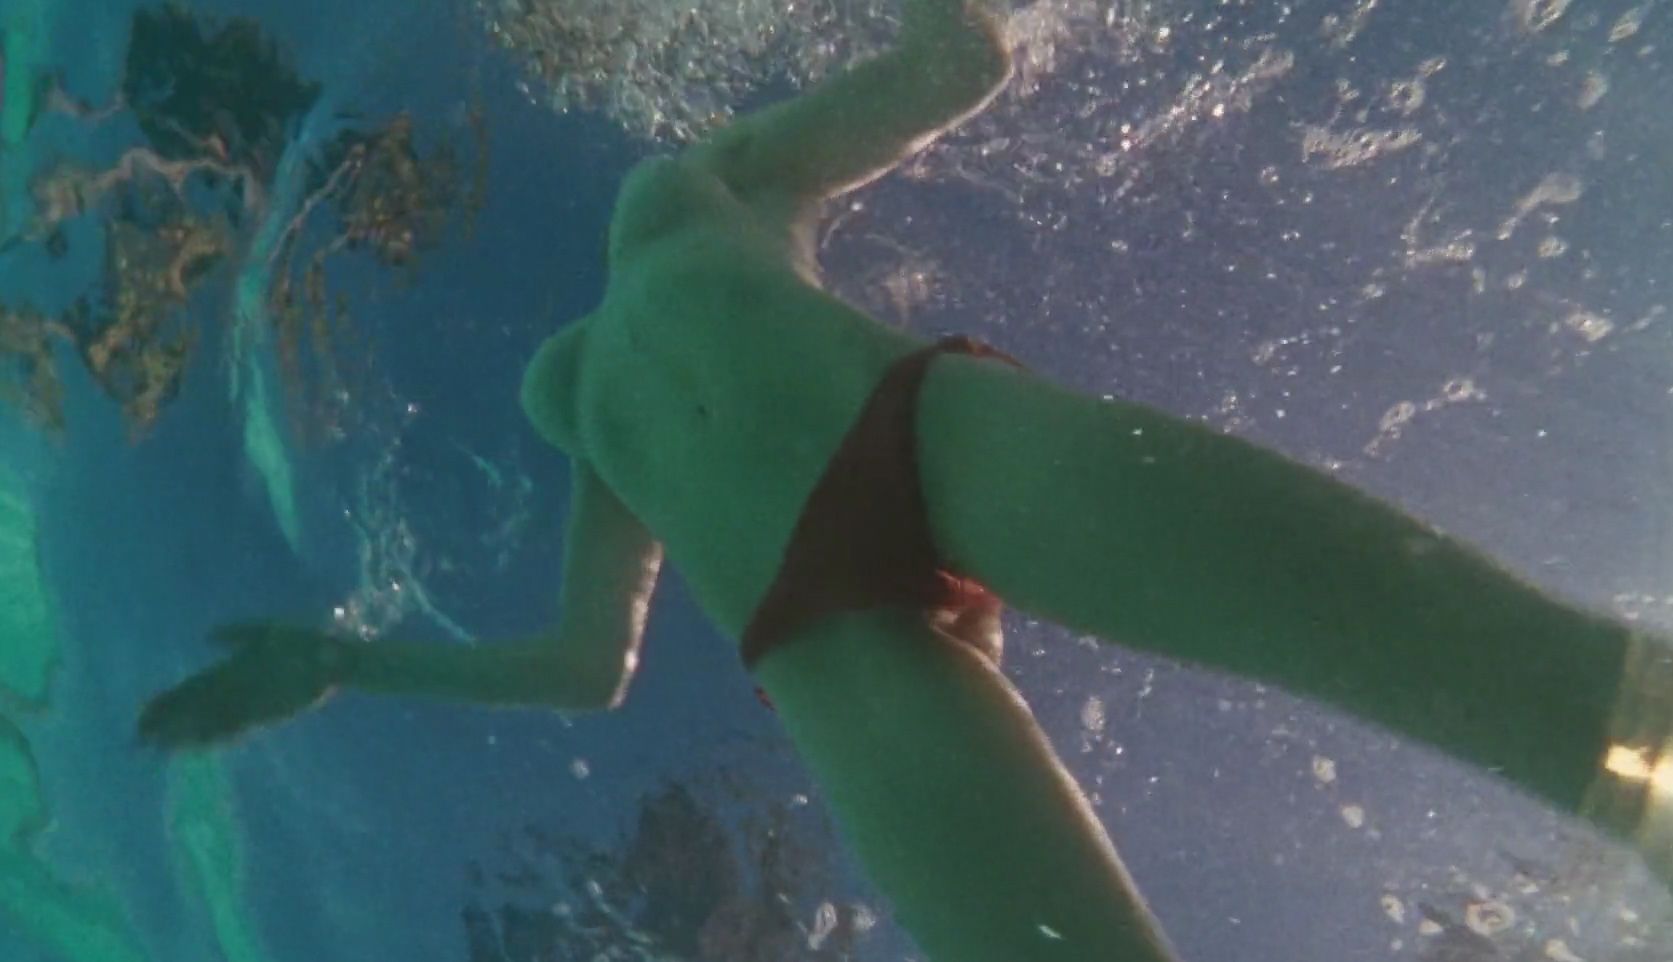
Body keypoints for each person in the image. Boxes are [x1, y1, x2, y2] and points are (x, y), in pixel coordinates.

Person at [138, 1, 1671, 959]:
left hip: (849, 585)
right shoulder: (667, 236)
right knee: (1489, 673)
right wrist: (333, 659)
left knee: (1499, 671)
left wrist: (339, 659)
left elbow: (582, 669)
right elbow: (960, 60)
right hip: (895, 498)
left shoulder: (629, 327)